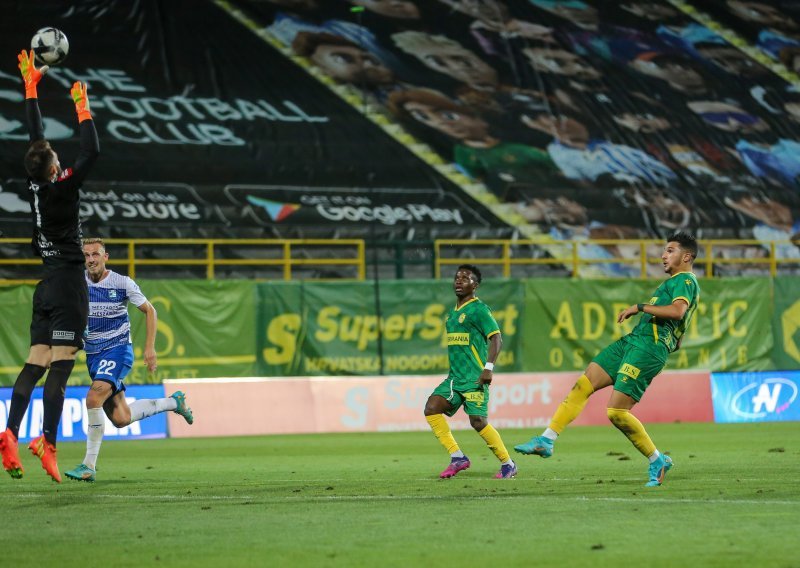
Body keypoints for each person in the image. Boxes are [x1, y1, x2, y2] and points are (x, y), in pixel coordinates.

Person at [515, 232, 701, 487]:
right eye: (665, 250)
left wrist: (640, 307)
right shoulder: (671, 284)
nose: (663, 255)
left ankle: (657, 460)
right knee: (584, 383)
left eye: (670, 250)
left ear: (687, 256)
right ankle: (546, 440)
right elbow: (678, 338)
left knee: (616, 412)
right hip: (634, 342)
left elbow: (678, 312)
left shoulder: (685, 281)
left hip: (647, 347)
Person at [0, 51, 98, 483]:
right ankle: (47, 442)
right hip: (66, 285)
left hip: (45, 286)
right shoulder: (61, 188)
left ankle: (8, 432)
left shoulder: (37, 181)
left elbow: (36, 140)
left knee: (35, 361)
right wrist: (82, 106)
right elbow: (91, 151)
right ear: (57, 167)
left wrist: (31, 86)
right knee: (62, 364)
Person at [64, 238, 194, 482]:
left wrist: (149, 348)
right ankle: (174, 403)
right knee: (121, 418)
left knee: (93, 397)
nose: (91, 259)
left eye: (95, 254)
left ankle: (88, 465)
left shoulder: (122, 283)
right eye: (87, 255)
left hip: (117, 350)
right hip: (94, 356)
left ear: (106, 257)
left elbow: (150, 310)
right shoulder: (77, 282)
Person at [424, 264, 517, 479]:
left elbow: (496, 338)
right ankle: (458, 457)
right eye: (457, 277)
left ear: (475, 285)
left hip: (475, 378)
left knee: (477, 421)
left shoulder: (479, 310)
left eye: (465, 278)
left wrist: (488, 368)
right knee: (431, 408)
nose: (459, 281)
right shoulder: (451, 314)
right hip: (455, 379)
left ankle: (508, 464)